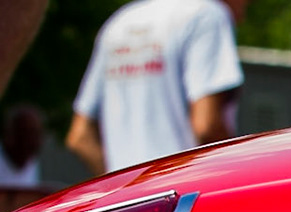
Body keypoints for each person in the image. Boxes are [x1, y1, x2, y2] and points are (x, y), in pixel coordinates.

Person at [65, 0, 246, 175]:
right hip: (183, 195)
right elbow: (207, 126)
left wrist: (121, 187)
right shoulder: (208, 15)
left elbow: (80, 136)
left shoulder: (119, 23)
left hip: (130, 202)